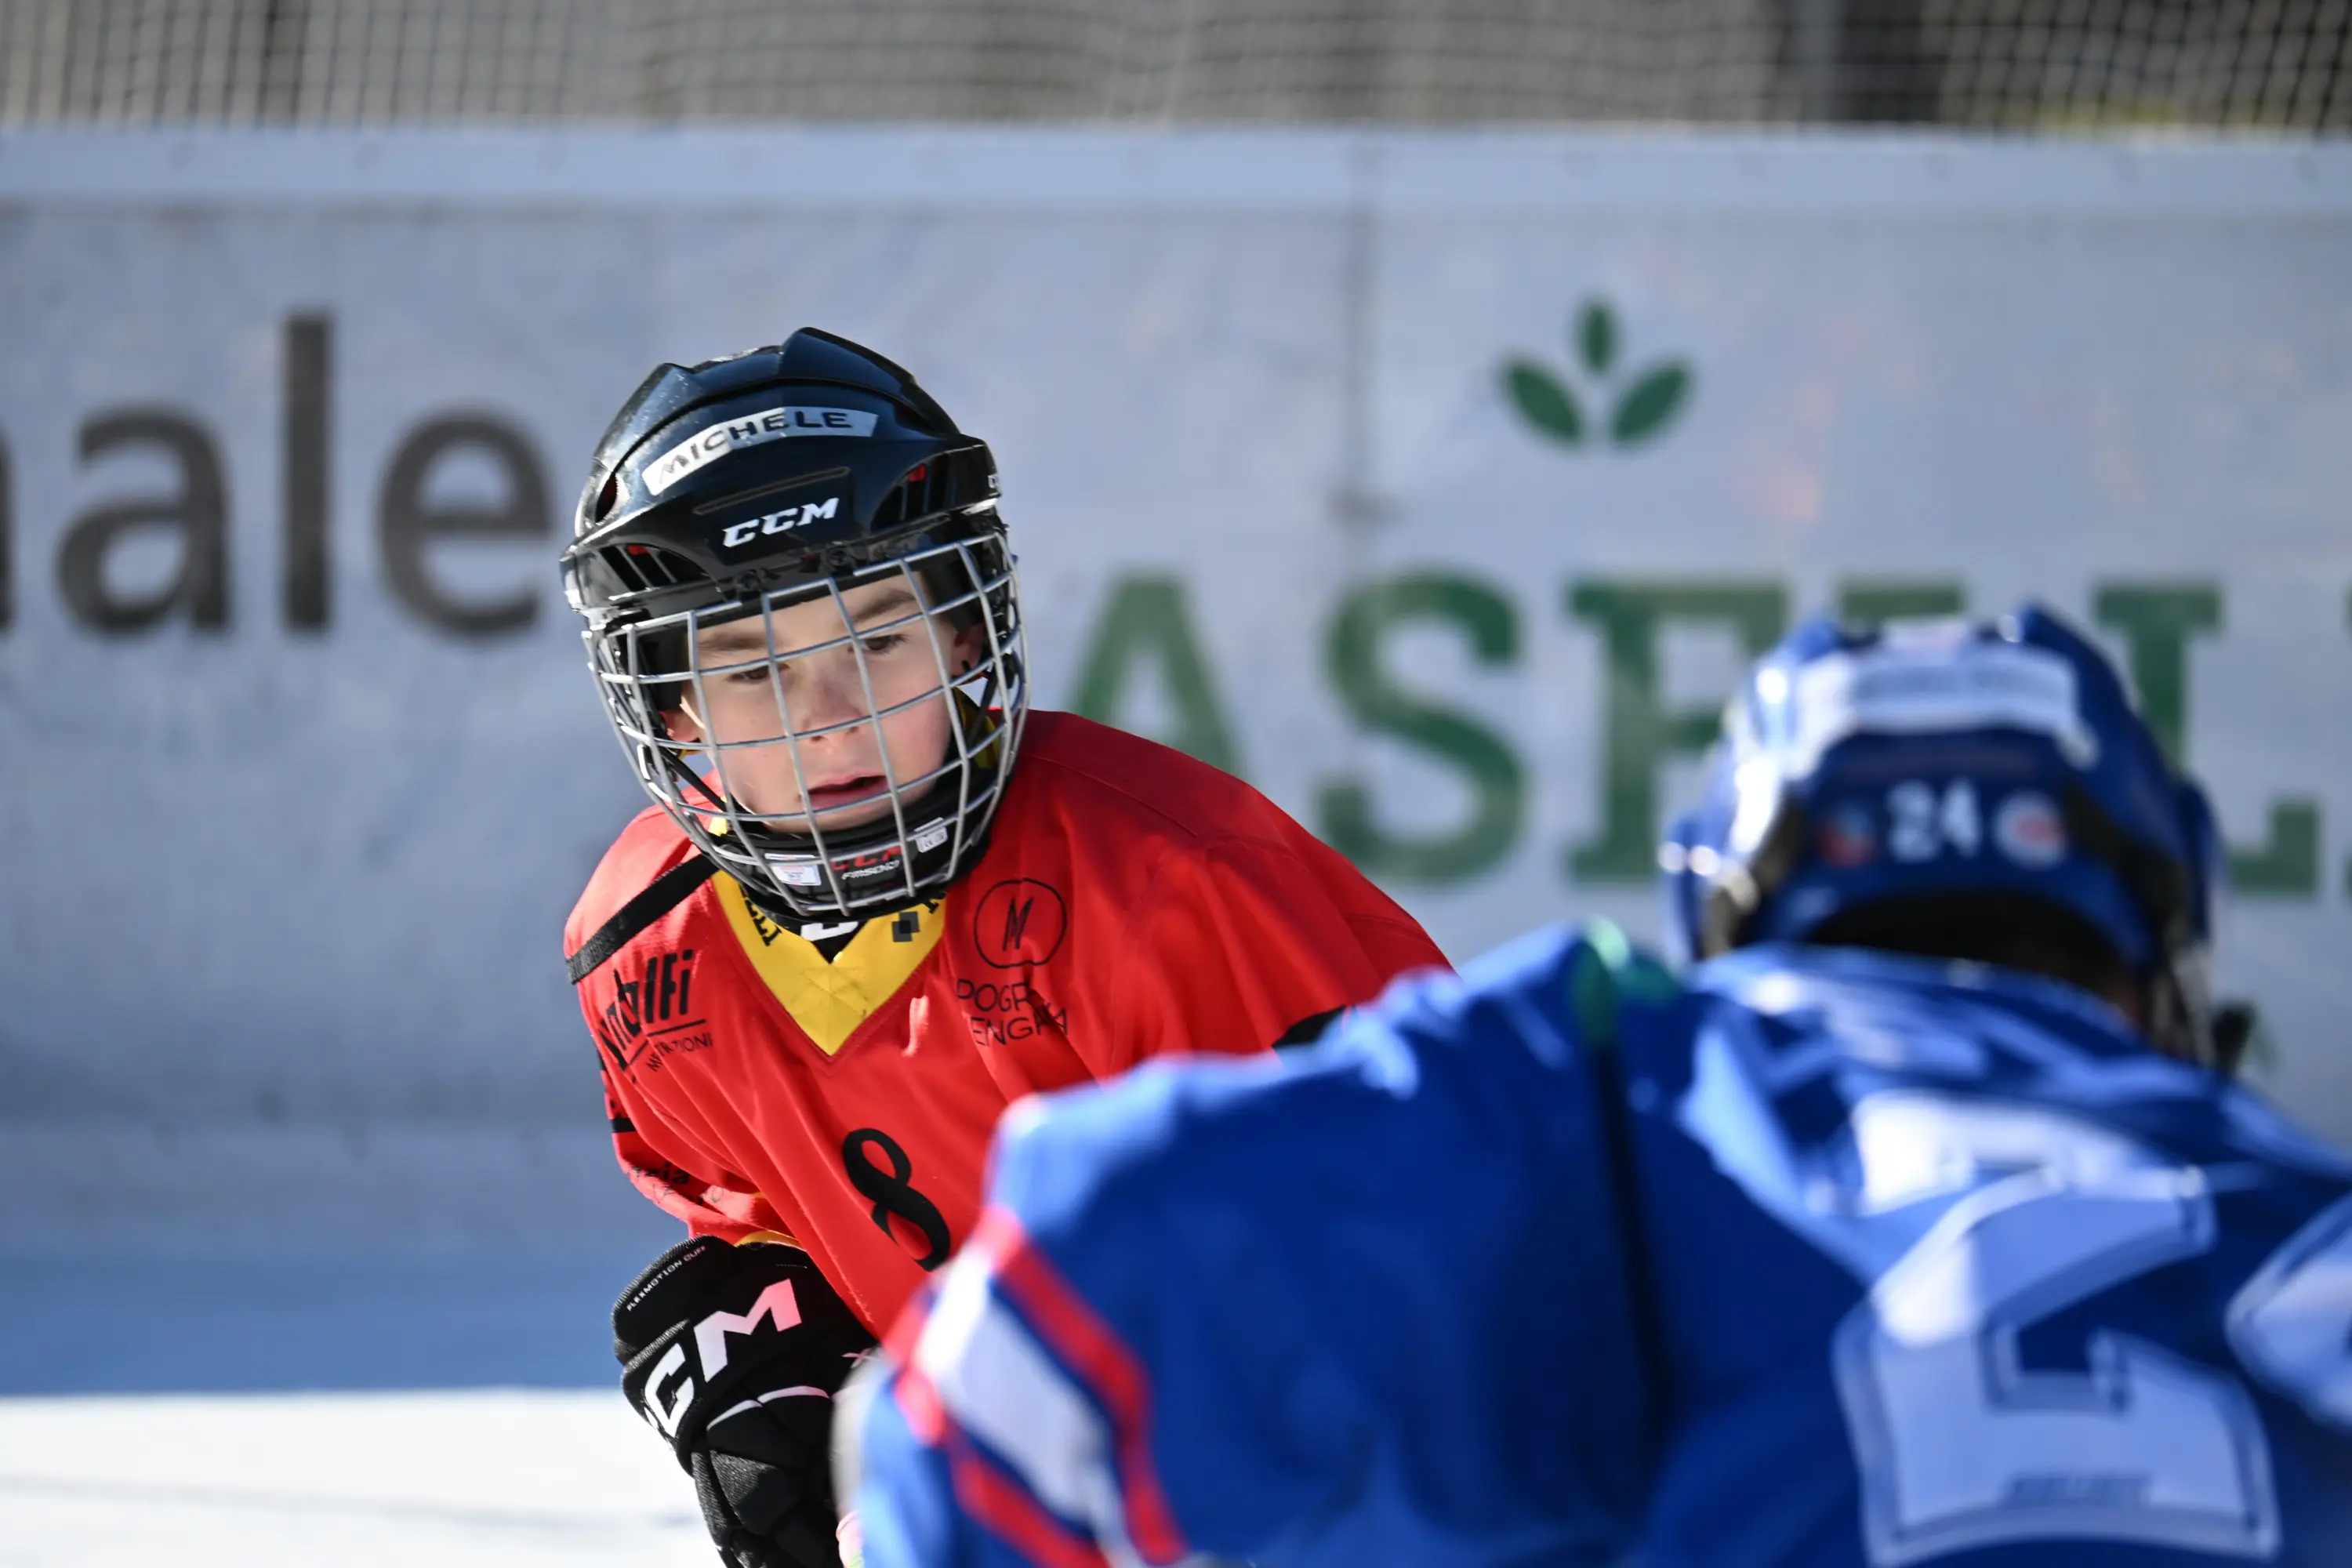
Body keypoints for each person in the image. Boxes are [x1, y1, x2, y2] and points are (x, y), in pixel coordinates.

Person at [848, 606, 2352, 1567]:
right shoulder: (2297, 1213)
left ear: (1726, 908)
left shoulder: (1612, 1081)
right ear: (2165, 954)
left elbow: (1076, 1279)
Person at [559, 328, 1446, 1568]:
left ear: (966, 637)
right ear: (671, 709)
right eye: (755, 669)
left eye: (877, 639)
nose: (835, 721)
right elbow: (760, 1221)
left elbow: (1454, 1212)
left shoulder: (1174, 882)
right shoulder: (647, 957)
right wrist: (766, 1358)